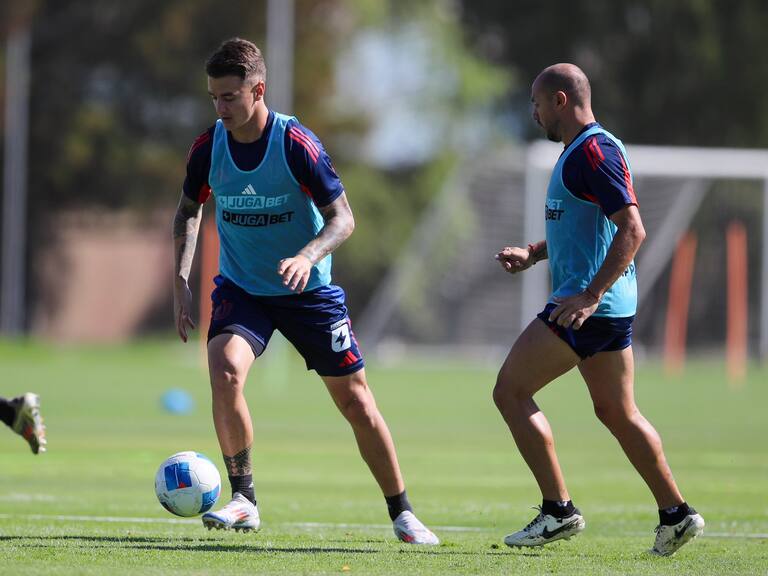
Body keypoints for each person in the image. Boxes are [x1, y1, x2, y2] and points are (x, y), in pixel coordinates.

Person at [172, 38, 438, 545]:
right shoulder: (209, 148)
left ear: (258, 90)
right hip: (244, 288)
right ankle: (244, 499)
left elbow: (344, 218)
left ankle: (403, 512)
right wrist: (181, 278)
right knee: (225, 371)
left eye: (229, 97)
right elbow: (187, 209)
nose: (219, 108)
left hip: (308, 291)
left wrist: (307, 255)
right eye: (213, 98)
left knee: (356, 402)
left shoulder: (296, 144)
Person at [493, 63, 704, 556]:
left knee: (510, 391)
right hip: (606, 307)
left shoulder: (592, 150)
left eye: (537, 103)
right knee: (617, 411)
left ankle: (557, 510)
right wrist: (534, 253)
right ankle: (675, 514)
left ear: (560, 102)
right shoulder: (586, 150)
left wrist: (588, 296)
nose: (534, 112)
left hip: (586, 308)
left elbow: (632, 228)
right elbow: (583, 227)